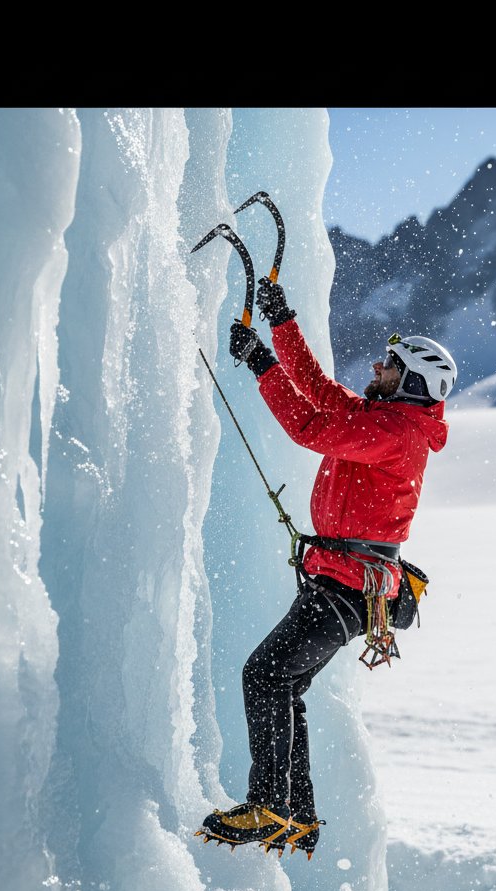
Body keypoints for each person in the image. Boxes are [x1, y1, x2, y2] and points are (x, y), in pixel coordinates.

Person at [196, 277, 456, 858]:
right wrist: (281, 323)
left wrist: (262, 362)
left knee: (265, 675)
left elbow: (308, 427)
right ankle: (297, 816)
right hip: (342, 581)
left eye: (390, 364)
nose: (378, 366)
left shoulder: (394, 432)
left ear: (412, 381)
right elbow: (316, 391)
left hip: (346, 587)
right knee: (283, 683)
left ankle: (269, 807)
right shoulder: (385, 418)